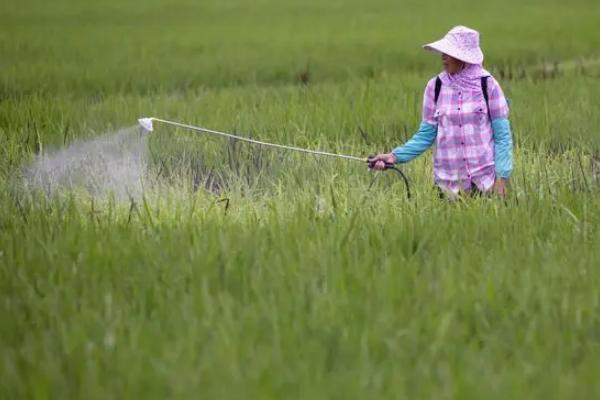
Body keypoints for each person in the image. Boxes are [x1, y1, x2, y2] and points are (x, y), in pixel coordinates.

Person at [371, 26, 513, 197]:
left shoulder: (488, 85)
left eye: (449, 53)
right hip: (447, 187)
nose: (443, 58)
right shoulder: (435, 87)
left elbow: (502, 136)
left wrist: (501, 179)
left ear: (464, 57)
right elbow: (425, 136)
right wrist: (393, 157)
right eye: (443, 52)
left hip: (484, 183)